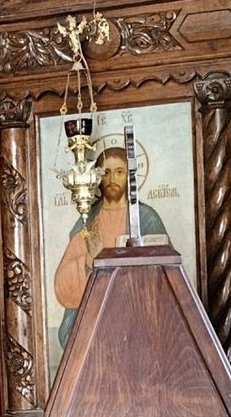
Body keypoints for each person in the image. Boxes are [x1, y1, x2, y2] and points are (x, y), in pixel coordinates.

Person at [53, 146, 170, 348]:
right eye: (105, 172)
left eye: (119, 172)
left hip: (135, 318)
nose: (112, 179)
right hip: (96, 321)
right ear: (97, 179)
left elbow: (166, 274)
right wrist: (89, 259)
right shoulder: (88, 221)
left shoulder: (146, 219)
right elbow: (63, 286)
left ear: (129, 177)